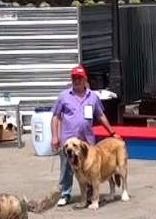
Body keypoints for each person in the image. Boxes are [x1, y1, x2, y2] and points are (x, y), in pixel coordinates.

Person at [50, 65, 119, 207]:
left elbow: (100, 115)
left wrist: (112, 132)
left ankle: (89, 195)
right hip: (68, 140)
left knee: (89, 168)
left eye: (79, 78)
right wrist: (55, 137)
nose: (77, 80)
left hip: (86, 142)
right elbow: (55, 117)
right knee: (66, 168)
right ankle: (65, 194)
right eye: (74, 78)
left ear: (85, 79)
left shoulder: (93, 97)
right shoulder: (64, 96)